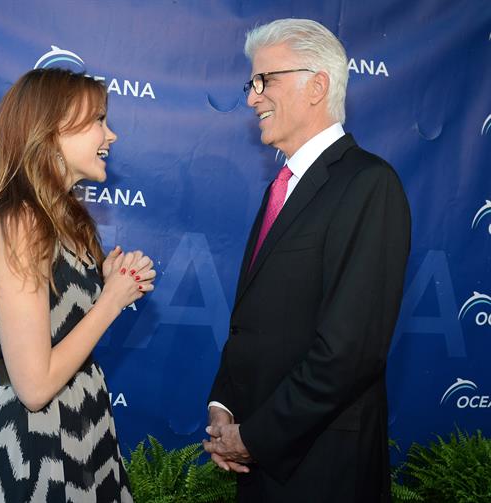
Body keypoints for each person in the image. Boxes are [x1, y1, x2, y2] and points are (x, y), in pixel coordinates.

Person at [204, 19, 411, 503]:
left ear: (317, 85)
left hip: (322, 469)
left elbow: (349, 351)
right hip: (259, 461)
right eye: (250, 83)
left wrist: (255, 438)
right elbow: (255, 321)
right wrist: (224, 404)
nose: (252, 97)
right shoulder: (283, 186)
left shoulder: (368, 185)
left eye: (264, 81)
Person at [0, 68, 154, 502]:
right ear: (50, 133)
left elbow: (57, 327)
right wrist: (109, 302)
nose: (112, 135)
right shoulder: (20, 223)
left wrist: (105, 282)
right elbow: (33, 387)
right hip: (35, 453)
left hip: (86, 435)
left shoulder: (67, 221)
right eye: (98, 121)